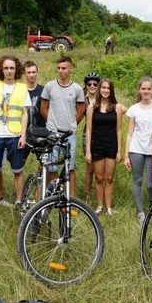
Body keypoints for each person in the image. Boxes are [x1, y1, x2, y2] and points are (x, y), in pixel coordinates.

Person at [0, 55, 31, 210]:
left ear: (16, 69)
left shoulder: (22, 88)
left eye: (12, 68)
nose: (9, 71)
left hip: (15, 135)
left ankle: (18, 202)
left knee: (18, 170)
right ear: (1, 70)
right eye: (6, 68)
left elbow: (25, 114)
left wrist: (23, 135)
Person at [40, 56, 85, 197]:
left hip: (69, 135)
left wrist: (72, 124)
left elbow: (81, 110)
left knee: (69, 168)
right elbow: (43, 108)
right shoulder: (49, 86)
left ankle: (69, 198)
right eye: (58, 68)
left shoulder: (77, 89)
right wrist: (52, 124)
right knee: (52, 166)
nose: (61, 71)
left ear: (71, 69)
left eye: (64, 68)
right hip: (53, 132)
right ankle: (53, 196)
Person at [124, 77, 152, 222]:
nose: (146, 91)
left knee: (150, 183)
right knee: (137, 180)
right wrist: (126, 155)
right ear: (139, 90)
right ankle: (140, 212)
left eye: (149, 89)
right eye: (143, 89)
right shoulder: (133, 109)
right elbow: (130, 133)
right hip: (136, 148)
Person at [85, 78, 123, 216]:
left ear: (111, 90)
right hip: (97, 145)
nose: (105, 91)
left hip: (111, 145)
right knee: (99, 178)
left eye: (108, 88)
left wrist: (119, 150)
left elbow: (119, 130)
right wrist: (88, 151)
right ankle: (100, 206)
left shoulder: (117, 108)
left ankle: (109, 207)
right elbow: (88, 130)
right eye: (103, 88)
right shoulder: (91, 108)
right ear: (99, 90)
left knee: (109, 178)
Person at [81, 71, 101, 201]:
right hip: (88, 133)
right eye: (89, 84)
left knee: (100, 167)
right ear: (86, 86)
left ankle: (99, 193)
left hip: (103, 134)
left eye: (95, 84)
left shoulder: (104, 98)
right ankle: (87, 195)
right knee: (90, 167)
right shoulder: (83, 100)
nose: (92, 86)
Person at [22, 60, 46, 163]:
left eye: (33, 72)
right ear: (24, 73)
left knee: (45, 164)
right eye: (29, 72)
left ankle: (41, 178)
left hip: (40, 131)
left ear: (37, 72)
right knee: (19, 163)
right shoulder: (20, 91)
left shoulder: (44, 90)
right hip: (23, 132)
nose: (31, 75)